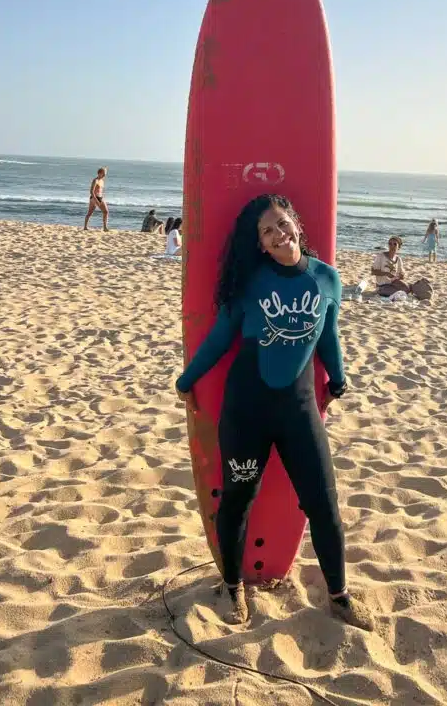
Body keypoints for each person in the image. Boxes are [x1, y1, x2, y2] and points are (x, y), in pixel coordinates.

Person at [175, 195, 373, 631]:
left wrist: (338, 378)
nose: (279, 234)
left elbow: (328, 336)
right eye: (268, 231)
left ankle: (339, 596)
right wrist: (186, 380)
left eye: (282, 223)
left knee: (323, 504)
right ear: (261, 245)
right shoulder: (250, 283)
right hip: (246, 411)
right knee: (238, 499)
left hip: (299, 411)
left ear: (296, 224)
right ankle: (232, 587)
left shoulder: (327, 279)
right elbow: (220, 338)